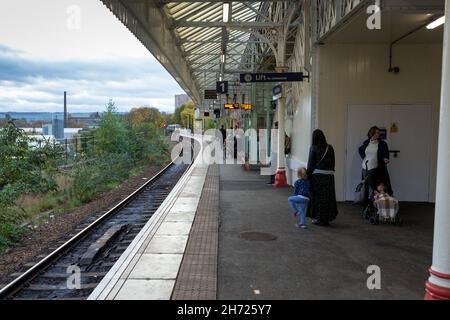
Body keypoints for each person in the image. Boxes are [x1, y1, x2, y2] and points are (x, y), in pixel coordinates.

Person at [307, 129, 338, 226]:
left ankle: (318, 218)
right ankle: (327, 218)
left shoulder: (313, 148)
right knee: (328, 197)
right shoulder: (330, 147)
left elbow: (310, 164)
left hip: (318, 176)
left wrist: (307, 176)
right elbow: (333, 162)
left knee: (318, 198)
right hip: (329, 176)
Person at [358, 126, 392, 196]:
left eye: (378, 133)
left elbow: (385, 153)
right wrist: (364, 157)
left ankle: (376, 203)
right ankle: (366, 203)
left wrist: (386, 158)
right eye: (376, 133)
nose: (378, 134)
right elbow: (360, 149)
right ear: (371, 133)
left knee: (375, 186)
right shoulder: (367, 142)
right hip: (365, 168)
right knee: (365, 186)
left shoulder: (382, 144)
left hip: (375, 168)